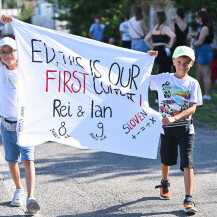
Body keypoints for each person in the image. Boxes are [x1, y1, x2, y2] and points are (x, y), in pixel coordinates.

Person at [149, 46, 202, 214]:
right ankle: (164, 183)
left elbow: (192, 108)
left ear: (191, 64)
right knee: (166, 159)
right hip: (167, 130)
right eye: (179, 62)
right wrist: (147, 59)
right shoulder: (163, 79)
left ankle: (188, 199)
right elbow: (140, 77)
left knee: (187, 163)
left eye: (186, 63)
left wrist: (175, 117)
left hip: (186, 128)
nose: (182, 66)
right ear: (173, 62)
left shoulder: (192, 83)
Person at [0, 15, 40, 214]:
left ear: (17, 52)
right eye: (3, 52)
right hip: (7, 123)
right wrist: (1, 24)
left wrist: (14, 26)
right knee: (11, 160)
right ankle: (18, 190)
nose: (7, 55)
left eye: (10, 51)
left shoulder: (26, 68)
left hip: (26, 122)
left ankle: (31, 197)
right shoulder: (0, 70)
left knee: (28, 159)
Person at [192, 10, 213, 100]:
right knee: (201, 73)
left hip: (204, 51)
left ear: (200, 18)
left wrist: (193, 42)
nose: (196, 19)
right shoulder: (202, 27)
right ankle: (201, 94)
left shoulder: (205, 28)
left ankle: (207, 95)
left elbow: (200, 42)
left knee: (206, 74)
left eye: (197, 17)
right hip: (202, 51)